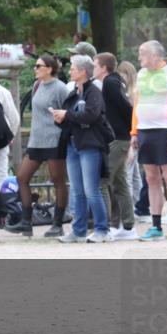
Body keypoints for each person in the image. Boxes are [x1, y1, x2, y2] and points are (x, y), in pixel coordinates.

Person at [5, 55, 70, 237]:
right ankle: (26, 222)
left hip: (54, 139)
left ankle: (58, 223)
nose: (35, 68)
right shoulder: (37, 85)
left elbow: (68, 112)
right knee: (21, 177)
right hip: (36, 140)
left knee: (57, 180)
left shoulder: (60, 88)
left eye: (38, 65)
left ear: (49, 69)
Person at [52, 55, 113, 243]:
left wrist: (67, 115)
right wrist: (60, 118)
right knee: (77, 190)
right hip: (72, 145)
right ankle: (78, 231)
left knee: (91, 190)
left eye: (73, 68)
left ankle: (102, 229)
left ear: (82, 72)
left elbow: (92, 115)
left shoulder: (93, 92)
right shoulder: (73, 93)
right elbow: (70, 118)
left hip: (89, 145)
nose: (69, 71)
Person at [131, 40, 167, 240]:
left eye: (142, 53)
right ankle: (156, 226)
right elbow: (136, 104)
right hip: (145, 130)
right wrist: (134, 132)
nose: (139, 57)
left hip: (164, 130)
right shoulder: (141, 74)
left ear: (155, 55)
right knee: (151, 178)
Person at [93, 52, 137, 240]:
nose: (93, 68)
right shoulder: (113, 81)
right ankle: (128, 227)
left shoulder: (110, 82)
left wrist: (130, 130)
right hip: (120, 137)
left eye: (95, 65)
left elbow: (127, 107)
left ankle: (106, 227)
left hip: (118, 139)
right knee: (120, 182)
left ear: (103, 67)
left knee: (102, 181)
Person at [118, 60, 148, 221]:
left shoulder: (131, 94)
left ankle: (129, 210)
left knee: (129, 175)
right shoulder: (129, 93)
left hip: (131, 136)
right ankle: (132, 209)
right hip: (131, 136)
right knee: (132, 174)